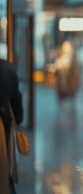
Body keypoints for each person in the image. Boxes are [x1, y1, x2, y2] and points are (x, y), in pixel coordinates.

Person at [0, 58, 24, 194]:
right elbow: (16, 100)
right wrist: (19, 120)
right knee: (3, 169)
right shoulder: (8, 68)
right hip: (2, 125)